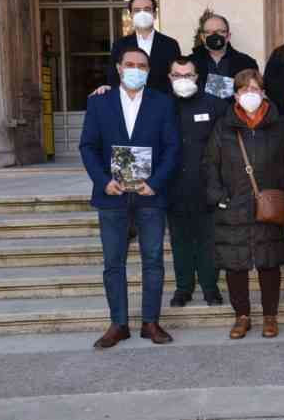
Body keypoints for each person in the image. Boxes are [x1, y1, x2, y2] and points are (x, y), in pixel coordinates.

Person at [79, 47, 180, 348]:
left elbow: (172, 147)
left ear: (148, 71)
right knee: (113, 262)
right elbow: (87, 147)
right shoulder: (99, 103)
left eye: (142, 65)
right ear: (119, 68)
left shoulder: (162, 103)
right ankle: (118, 324)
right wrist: (103, 181)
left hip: (150, 196)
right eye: (130, 64)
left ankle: (151, 322)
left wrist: (157, 182)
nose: (136, 69)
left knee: (153, 260)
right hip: (111, 196)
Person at [205, 69, 284, 339]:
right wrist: (218, 196)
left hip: (271, 204)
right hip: (234, 204)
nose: (250, 95)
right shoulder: (224, 126)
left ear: (264, 93)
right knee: (236, 264)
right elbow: (210, 164)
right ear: (235, 95)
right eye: (244, 91)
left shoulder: (279, 125)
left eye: (255, 90)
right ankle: (241, 316)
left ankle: (270, 316)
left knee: (269, 262)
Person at [165, 57, 229, 307]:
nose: (183, 80)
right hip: (173, 187)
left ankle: (210, 288)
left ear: (197, 77)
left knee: (208, 241)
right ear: (170, 78)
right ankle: (183, 288)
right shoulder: (161, 105)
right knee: (180, 242)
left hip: (207, 188)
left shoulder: (215, 105)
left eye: (188, 75)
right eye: (177, 75)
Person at [106, 0, 181, 95]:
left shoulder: (170, 45)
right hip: (128, 104)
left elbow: (176, 78)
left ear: (154, 14)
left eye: (147, 9)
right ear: (131, 15)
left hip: (161, 104)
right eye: (137, 10)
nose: (142, 14)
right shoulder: (120, 45)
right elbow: (113, 78)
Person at [189, 10, 258, 97]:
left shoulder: (246, 63)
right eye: (209, 32)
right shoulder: (190, 62)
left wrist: (205, 84)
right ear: (202, 37)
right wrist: (232, 87)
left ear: (228, 36)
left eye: (220, 31)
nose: (214, 36)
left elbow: (252, 92)